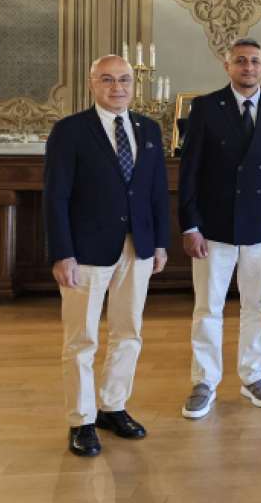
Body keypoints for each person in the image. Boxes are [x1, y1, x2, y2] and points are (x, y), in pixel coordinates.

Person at [44, 54, 169, 457]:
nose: (117, 87)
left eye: (124, 80)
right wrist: (63, 253)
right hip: (85, 250)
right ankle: (81, 420)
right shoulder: (70, 131)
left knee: (128, 332)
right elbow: (56, 196)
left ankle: (112, 407)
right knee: (82, 338)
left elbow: (155, 192)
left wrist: (160, 243)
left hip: (138, 246)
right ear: (92, 83)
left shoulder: (148, 129)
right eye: (108, 80)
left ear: (134, 84)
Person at [177, 38, 261, 420]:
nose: (248, 67)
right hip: (213, 227)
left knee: (256, 305)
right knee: (208, 307)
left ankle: (253, 376)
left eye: (255, 61)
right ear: (227, 65)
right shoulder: (205, 107)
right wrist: (190, 225)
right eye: (241, 61)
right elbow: (189, 171)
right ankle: (204, 382)